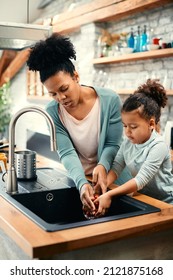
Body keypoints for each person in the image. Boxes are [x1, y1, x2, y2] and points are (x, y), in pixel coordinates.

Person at [27, 33, 131, 211]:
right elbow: (66, 153)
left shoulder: (109, 100)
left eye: (64, 89)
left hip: (115, 182)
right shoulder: (53, 112)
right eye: (53, 94)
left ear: (76, 77)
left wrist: (102, 165)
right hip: (82, 180)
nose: (61, 98)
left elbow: (113, 144)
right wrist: (82, 184)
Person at [95, 79, 173, 216]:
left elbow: (140, 180)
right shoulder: (128, 142)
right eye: (125, 126)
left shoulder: (159, 146)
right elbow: (116, 167)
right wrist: (103, 186)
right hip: (146, 200)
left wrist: (110, 194)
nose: (127, 132)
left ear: (151, 124)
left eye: (133, 127)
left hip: (166, 204)